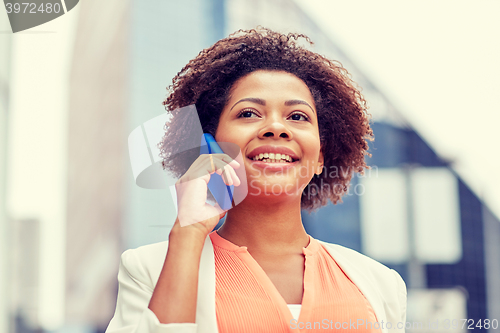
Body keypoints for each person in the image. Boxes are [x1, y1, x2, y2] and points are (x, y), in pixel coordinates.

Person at [106, 28, 407, 333]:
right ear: (209, 146)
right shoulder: (149, 270)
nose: (276, 127)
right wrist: (188, 234)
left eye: (298, 117)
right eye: (249, 113)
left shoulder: (381, 284)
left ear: (320, 158)